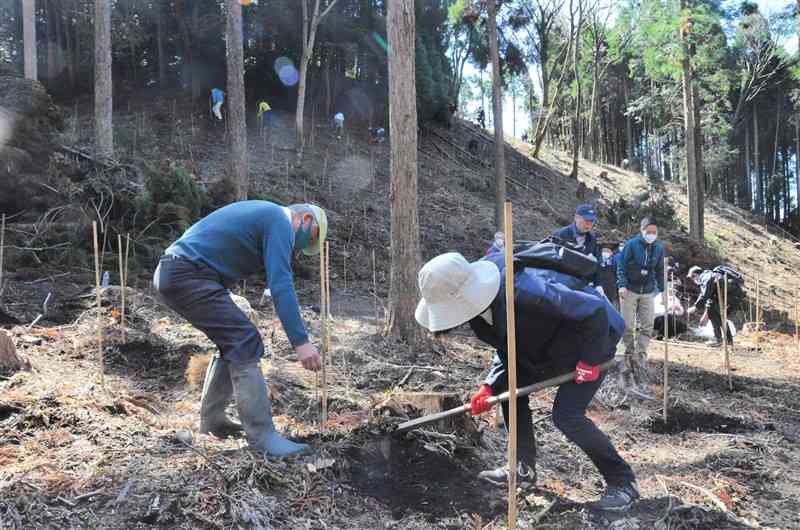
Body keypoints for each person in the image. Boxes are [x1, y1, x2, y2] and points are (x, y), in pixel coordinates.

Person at [415, 252, 640, 511]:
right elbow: (508, 349)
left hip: (592, 340)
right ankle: (522, 469)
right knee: (510, 393)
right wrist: (490, 386)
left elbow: (593, 310)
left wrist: (590, 360)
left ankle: (623, 483)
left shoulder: (525, 291)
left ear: (462, 295)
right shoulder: (477, 311)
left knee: (567, 415)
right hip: (543, 348)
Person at [153, 201, 328, 457]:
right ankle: (262, 437)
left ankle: (213, 422)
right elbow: (281, 284)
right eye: (309, 238)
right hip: (187, 273)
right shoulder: (279, 219)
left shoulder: (266, 217)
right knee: (244, 339)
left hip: (181, 272)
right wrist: (301, 342)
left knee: (235, 340)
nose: (301, 246)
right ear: (305, 219)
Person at [616, 217, 664, 397]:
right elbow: (621, 265)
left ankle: (640, 357)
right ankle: (626, 357)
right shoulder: (631, 245)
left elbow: (660, 270)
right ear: (642, 230)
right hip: (629, 289)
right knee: (627, 325)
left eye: (654, 232)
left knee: (647, 326)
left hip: (648, 291)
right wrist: (621, 284)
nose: (651, 234)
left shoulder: (658, 248)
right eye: (648, 231)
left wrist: (662, 291)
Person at [686, 266, 734, 347]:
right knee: (721, 319)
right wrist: (696, 305)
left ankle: (718, 340)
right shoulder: (708, 275)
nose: (693, 280)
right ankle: (728, 341)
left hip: (718, 298)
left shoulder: (705, 277)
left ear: (695, 275)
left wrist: (695, 307)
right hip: (722, 298)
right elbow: (703, 293)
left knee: (714, 316)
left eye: (692, 278)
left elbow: (705, 294)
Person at [596, 243, 619, 308]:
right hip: (599, 289)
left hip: (611, 290)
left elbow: (617, 274)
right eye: (604, 251)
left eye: (607, 251)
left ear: (611, 253)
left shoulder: (614, 262)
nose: (605, 253)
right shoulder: (597, 261)